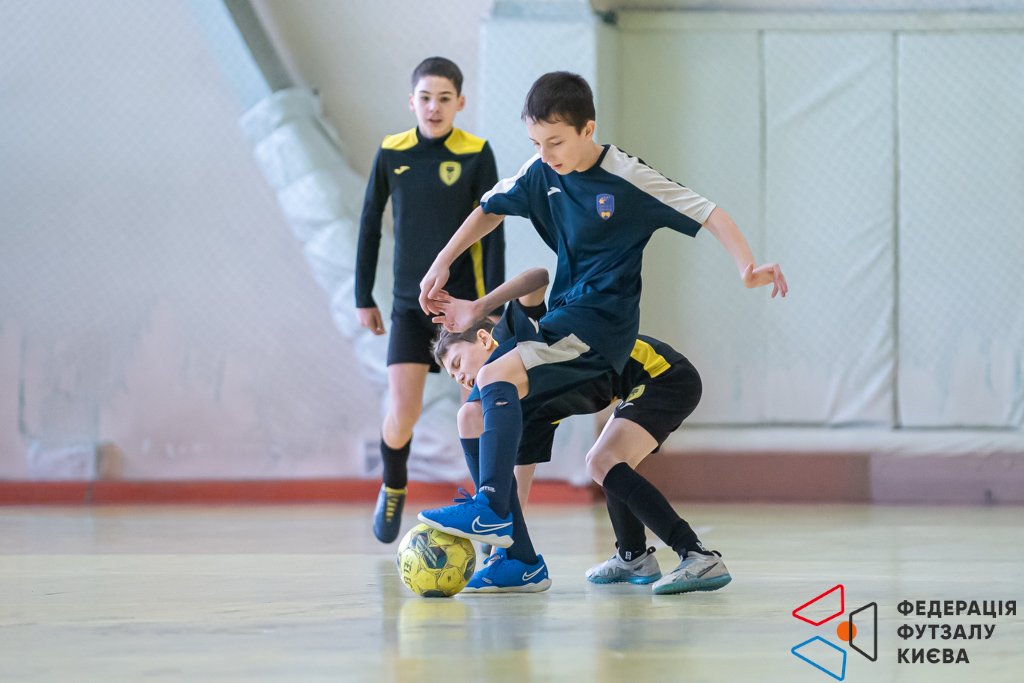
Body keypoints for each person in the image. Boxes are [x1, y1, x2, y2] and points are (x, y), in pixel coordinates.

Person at [416, 71, 786, 557]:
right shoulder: (540, 171)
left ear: (587, 129)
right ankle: (515, 557)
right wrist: (442, 261)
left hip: (603, 323)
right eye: (535, 143)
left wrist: (746, 267)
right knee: (477, 412)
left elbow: (708, 211)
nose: (545, 154)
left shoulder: (627, 176)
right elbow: (489, 207)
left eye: (555, 142)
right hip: (567, 318)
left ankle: (491, 508)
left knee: (494, 375)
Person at [430, 269, 730, 595]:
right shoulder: (519, 409)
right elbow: (515, 488)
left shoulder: (512, 339)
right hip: (640, 386)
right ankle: (633, 557)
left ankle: (697, 555)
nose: (460, 378)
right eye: (452, 377)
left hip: (664, 374)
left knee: (602, 460)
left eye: (458, 363)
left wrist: (481, 305)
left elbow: (537, 278)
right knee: (603, 460)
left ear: (484, 339)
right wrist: (500, 550)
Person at [356, 57, 505, 543]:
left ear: (460, 103)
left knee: (474, 409)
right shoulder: (391, 152)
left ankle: (488, 503)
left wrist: (492, 306)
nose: (434, 107)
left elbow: (493, 231)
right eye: (425, 98)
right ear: (411, 102)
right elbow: (369, 224)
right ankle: (393, 485)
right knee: (403, 414)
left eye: (444, 98)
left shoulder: (477, 153)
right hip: (408, 308)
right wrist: (363, 295)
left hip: (463, 309)